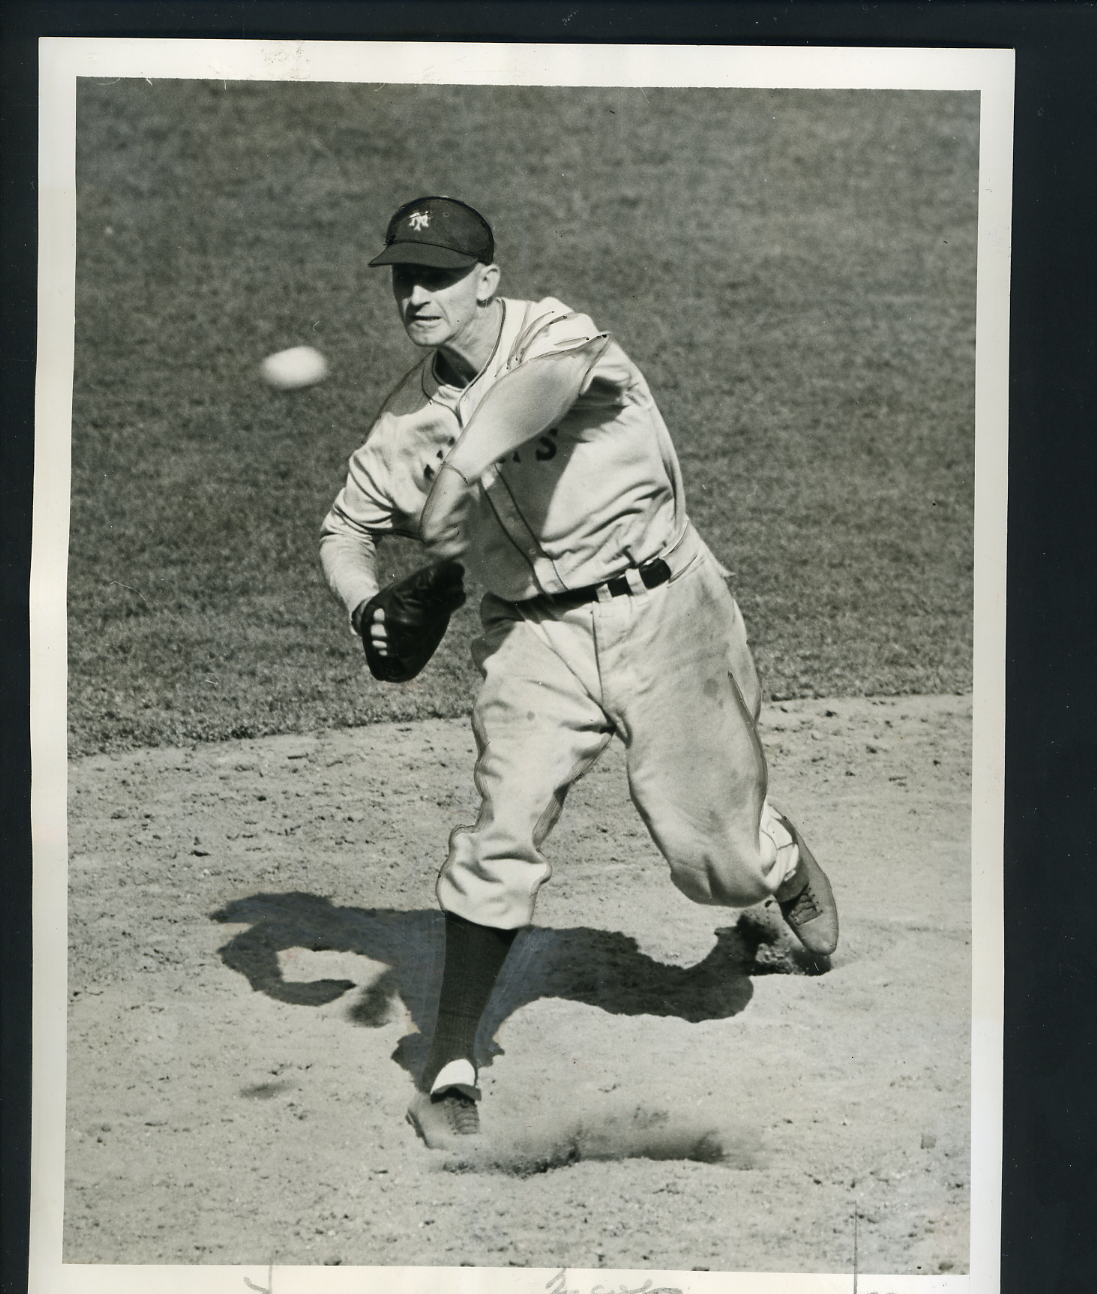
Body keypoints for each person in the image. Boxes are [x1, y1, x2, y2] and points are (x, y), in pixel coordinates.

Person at [320, 196, 838, 1150]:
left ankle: (768, 853)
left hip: (665, 609)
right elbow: (344, 528)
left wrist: (462, 467)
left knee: (715, 871)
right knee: (499, 829)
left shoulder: (556, 332)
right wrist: (363, 603)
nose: (416, 295)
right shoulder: (403, 420)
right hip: (532, 640)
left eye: (436, 276)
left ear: (488, 280)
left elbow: (538, 392)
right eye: (403, 277)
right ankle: (448, 1066)